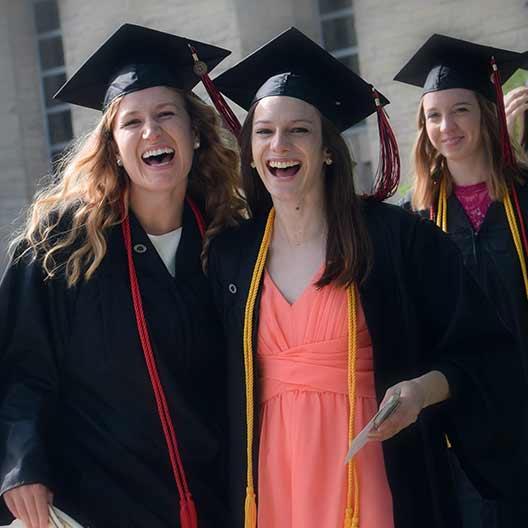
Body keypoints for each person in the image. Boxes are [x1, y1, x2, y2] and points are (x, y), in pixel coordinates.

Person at [205, 27, 526, 528]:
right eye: (265, 132)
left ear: (329, 148)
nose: (279, 145)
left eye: (300, 130)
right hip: (270, 478)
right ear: (249, 150)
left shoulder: (396, 239)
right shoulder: (231, 256)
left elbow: (483, 351)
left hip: (374, 471)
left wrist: (422, 391)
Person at [0, 23, 245, 528]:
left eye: (165, 115)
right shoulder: (64, 244)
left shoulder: (229, 244)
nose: (151, 132)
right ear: (112, 145)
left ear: (195, 133)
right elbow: (21, 366)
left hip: (213, 499)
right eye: (131, 122)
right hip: (94, 502)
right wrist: (22, 463)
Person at [395, 34, 527, 527]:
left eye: (461, 110)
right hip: (460, 437)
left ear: (486, 114)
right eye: (433, 115)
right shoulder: (412, 221)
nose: (446, 127)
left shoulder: (524, 198)